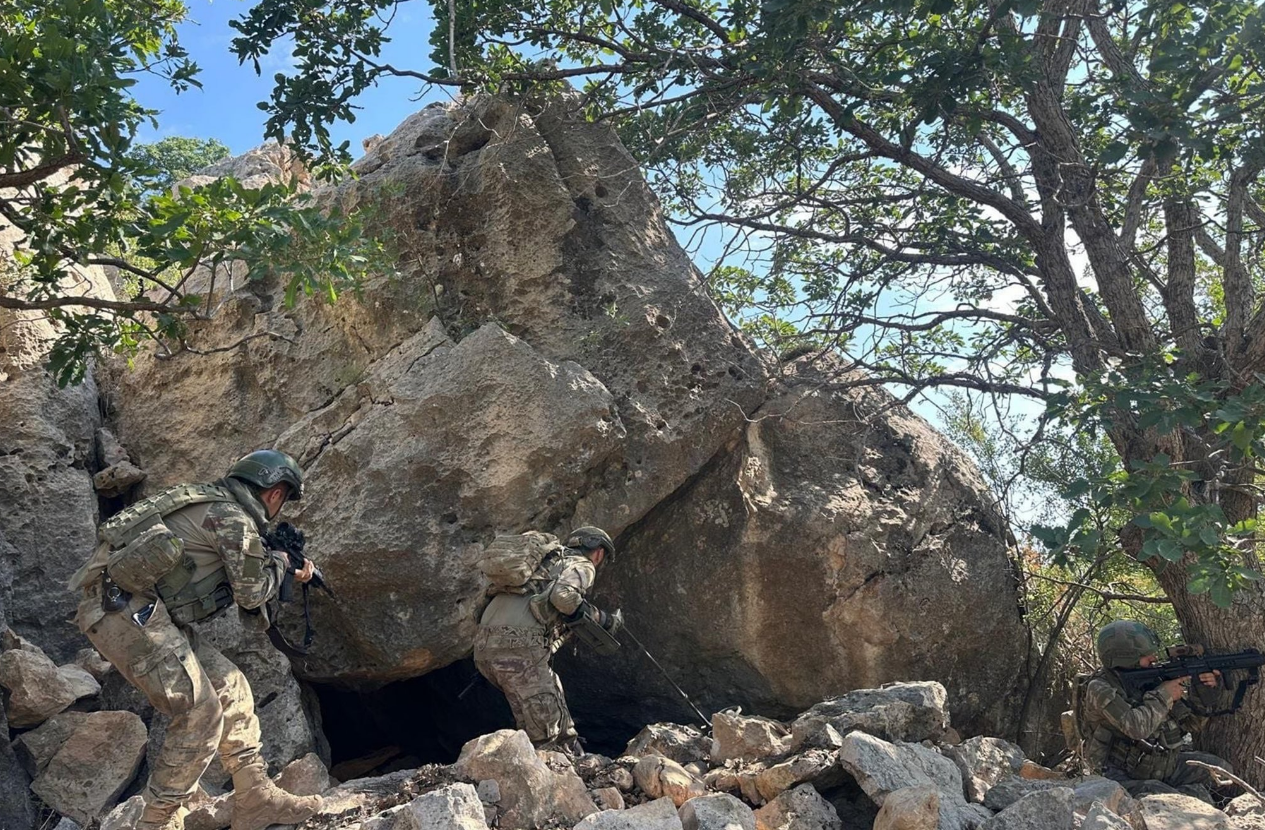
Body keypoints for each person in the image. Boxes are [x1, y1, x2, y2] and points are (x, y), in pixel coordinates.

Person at [68, 449, 323, 830]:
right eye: (284, 498)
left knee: (231, 686)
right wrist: (285, 567)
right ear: (275, 492)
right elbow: (252, 595)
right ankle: (154, 822)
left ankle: (254, 797)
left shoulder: (206, 499)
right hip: (125, 615)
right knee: (199, 712)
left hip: (134, 611)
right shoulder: (232, 518)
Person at [473, 526, 622, 755]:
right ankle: (566, 775)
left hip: (484, 646)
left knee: (536, 715)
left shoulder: (542, 563)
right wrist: (603, 619)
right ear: (599, 552)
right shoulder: (581, 564)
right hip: (519, 646)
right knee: (551, 733)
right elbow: (563, 597)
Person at [1073, 620, 1233, 802]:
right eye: (1146, 655)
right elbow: (1135, 727)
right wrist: (1164, 695)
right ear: (1125, 657)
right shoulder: (1099, 687)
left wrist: (1203, 690)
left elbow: (1192, 723)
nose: (1153, 659)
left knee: (1221, 771)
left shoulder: (1150, 678)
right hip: (1120, 775)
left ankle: (1191, 795)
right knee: (1172, 798)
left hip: (1160, 765)